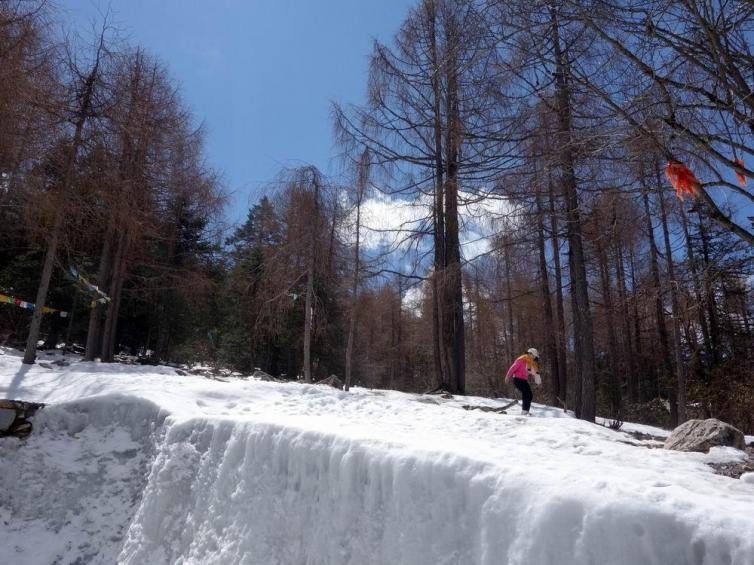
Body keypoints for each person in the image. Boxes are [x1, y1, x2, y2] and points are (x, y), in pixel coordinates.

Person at [505, 348, 541, 416]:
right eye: (534, 356)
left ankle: (525, 411)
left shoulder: (530, 362)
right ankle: (524, 411)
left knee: (530, 395)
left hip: (523, 380)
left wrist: (538, 382)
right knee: (526, 393)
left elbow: (534, 373)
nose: (534, 358)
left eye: (535, 357)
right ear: (530, 354)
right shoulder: (521, 359)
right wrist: (507, 376)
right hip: (517, 379)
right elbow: (513, 367)